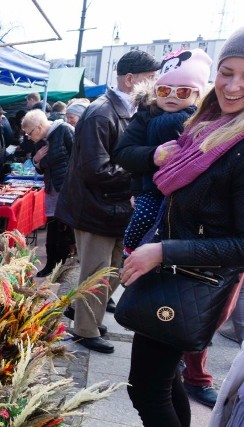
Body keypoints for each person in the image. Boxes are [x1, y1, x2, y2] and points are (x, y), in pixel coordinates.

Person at [110, 28, 244, 427]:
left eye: (243, 79)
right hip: (171, 274)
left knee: (146, 389)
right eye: (227, 74)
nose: (233, 87)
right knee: (163, 385)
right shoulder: (208, 127)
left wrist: (162, 249)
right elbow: (140, 159)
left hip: (189, 281)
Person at [112, 48, 217, 407]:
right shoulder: (148, 115)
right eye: (165, 90)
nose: (172, 97)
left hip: (193, 247)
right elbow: (124, 152)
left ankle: (196, 376)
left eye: (184, 92)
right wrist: (154, 156)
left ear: (199, 92)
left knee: (158, 381)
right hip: (152, 200)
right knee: (154, 384)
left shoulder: (207, 121)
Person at [55, 49, 161, 354]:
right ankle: (85, 330)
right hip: (95, 207)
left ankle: (83, 311)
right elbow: (95, 168)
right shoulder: (102, 112)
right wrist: (141, 173)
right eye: (151, 78)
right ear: (130, 80)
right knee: (98, 271)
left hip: (112, 207)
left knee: (113, 267)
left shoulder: (126, 110)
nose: (155, 84)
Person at [21, 109, 75, 277]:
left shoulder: (65, 130)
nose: (28, 137)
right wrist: (36, 160)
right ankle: (51, 265)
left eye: (29, 133)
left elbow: (79, 158)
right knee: (53, 228)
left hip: (67, 190)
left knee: (65, 229)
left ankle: (63, 267)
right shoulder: (40, 141)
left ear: (38, 127)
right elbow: (42, 168)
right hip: (51, 190)